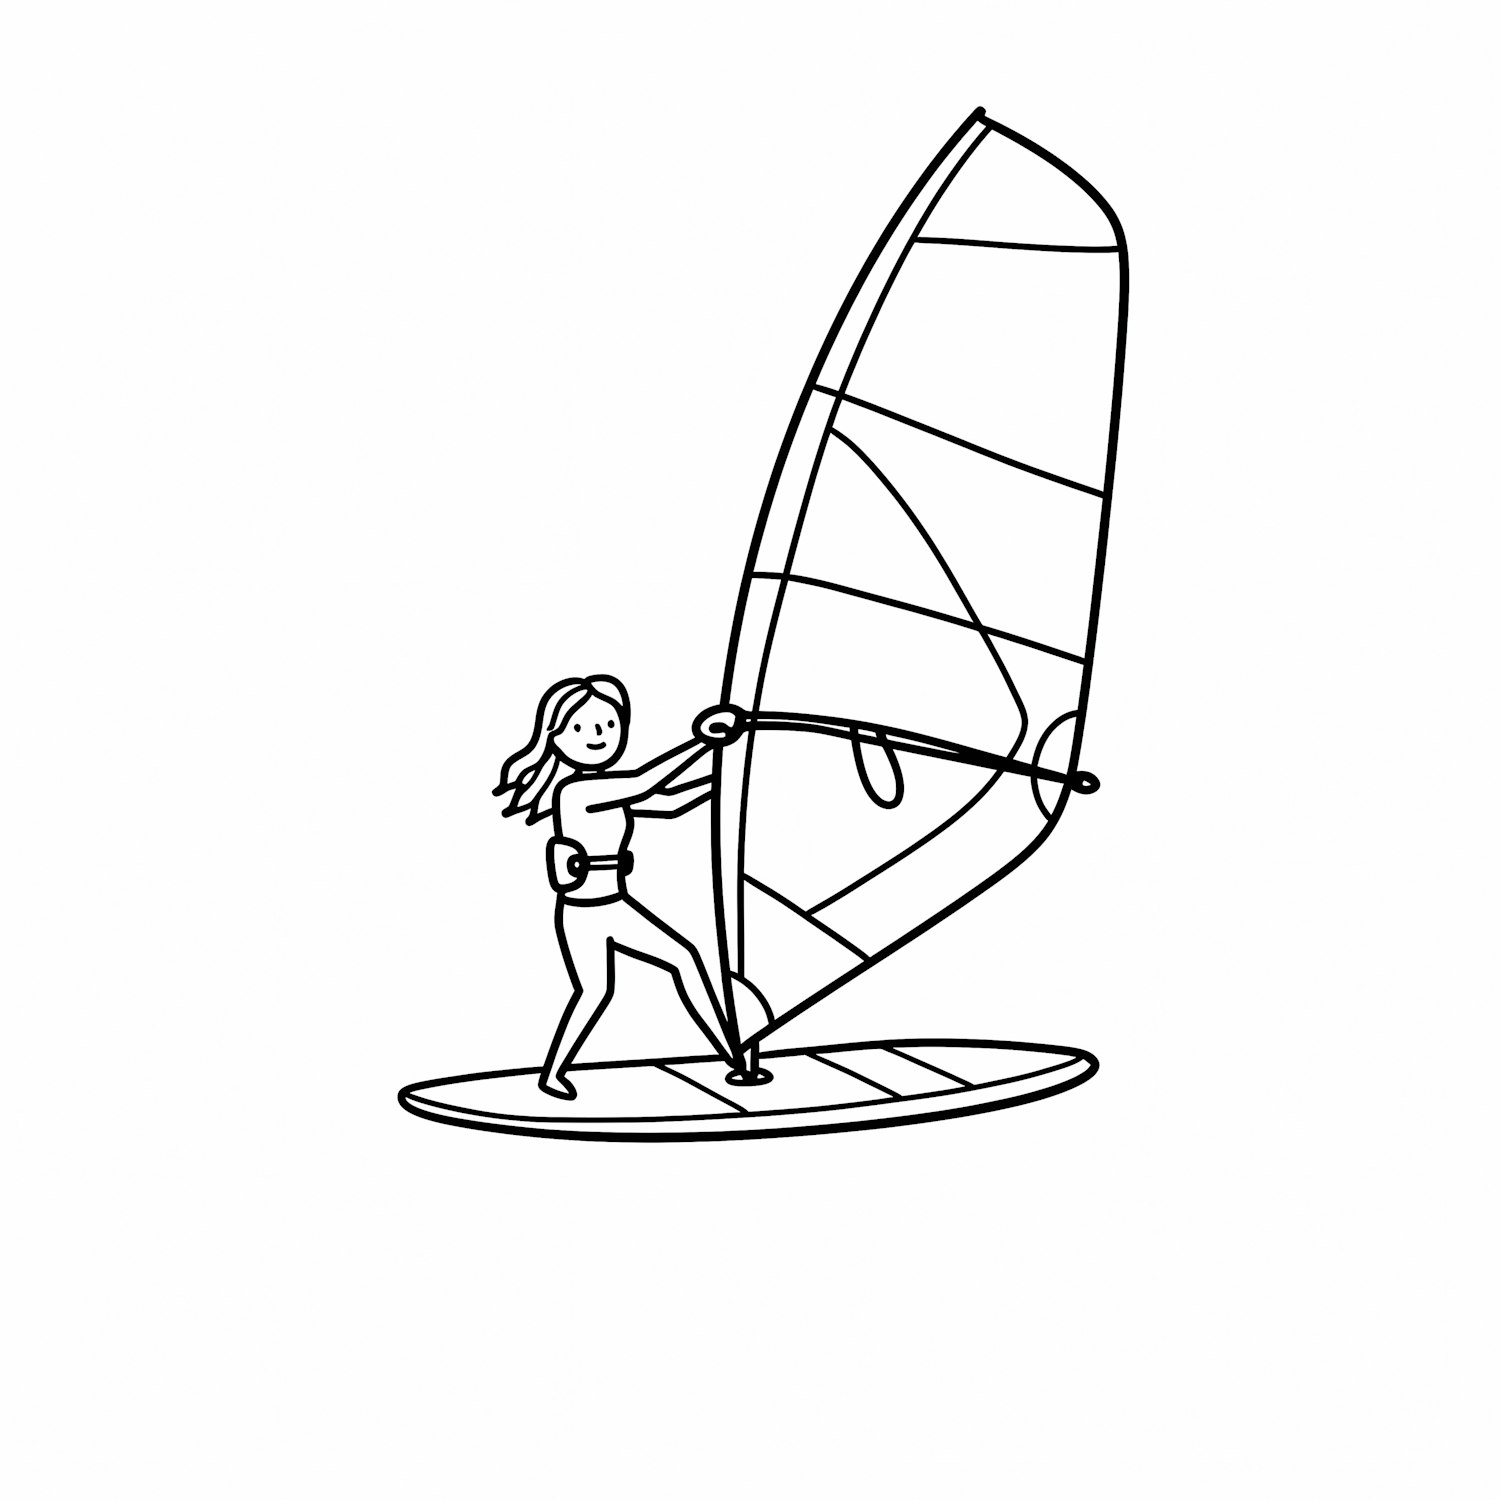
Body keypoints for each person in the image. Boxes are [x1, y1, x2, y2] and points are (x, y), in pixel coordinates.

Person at [492, 675, 742, 1099]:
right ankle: (552, 1074)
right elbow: (645, 781)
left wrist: (730, 779)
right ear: (556, 737)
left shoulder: (609, 789)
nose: (598, 736)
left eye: (609, 725)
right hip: (584, 913)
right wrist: (703, 742)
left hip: (616, 905)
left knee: (683, 959)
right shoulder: (576, 791)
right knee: (594, 993)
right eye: (581, 728)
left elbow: (669, 802)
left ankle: (730, 1055)